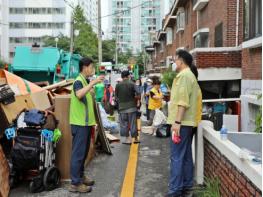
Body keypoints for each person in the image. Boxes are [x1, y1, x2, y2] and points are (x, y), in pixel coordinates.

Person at [166, 50, 200, 197]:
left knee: (177, 157)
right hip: (187, 123)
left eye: (175, 60)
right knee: (185, 155)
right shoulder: (189, 75)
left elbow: (182, 102)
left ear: (181, 61)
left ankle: (175, 191)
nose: (174, 63)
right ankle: (186, 186)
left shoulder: (184, 76)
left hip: (181, 123)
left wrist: (177, 122)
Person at [69, 57, 104, 193]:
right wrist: (93, 83)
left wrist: (91, 89)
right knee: (78, 154)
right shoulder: (78, 81)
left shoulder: (85, 81)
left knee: (83, 153)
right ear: (85, 67)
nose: (93, 69)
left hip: (85, 124)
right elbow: (78, 94)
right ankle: (75, 183)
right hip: (79, 124)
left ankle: (80, 176)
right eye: (91, 67)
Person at [115, 70, 140, 144]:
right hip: (132, 107)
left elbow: (116, 97)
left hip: (122, 108)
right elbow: (138, 92)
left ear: (122, 77)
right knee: (133, 123)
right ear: (128, 76)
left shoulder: (118, 85)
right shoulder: (132, 83)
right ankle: (135, 139)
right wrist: (135, 97)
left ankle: (127, 139)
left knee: (124, 124)